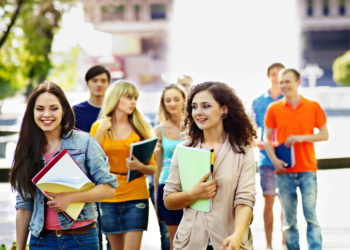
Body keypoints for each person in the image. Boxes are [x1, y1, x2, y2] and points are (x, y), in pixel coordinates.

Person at [10, 81, 118, 250]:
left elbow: (109, 189)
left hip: (82, 239)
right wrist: (20, 247)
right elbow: (24, 206)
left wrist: (71, 198)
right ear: (32, 113)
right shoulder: (26, 150)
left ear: (64, 111)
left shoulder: (85, 142)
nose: (47, 114)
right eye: (40, 109)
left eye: (54, 108)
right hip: (41, 241)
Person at [163, 81, 257, 250]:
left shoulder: (243, 151)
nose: (198, 112)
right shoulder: (183, 150)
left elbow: (245, 200)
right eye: (194, 106)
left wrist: (236, 235)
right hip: (191, 242)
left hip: (230, 242)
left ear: (224, 109)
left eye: (206, 106)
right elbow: (169, 201)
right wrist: (192, 194)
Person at [263, 69, 329, 250]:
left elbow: (324, 135)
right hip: (283, 171)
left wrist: (301, 137)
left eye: (287, 81)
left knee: (311, 217)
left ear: (298, 81)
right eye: (281, 82)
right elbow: (267, 138)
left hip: (307, 169)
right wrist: (274, 160)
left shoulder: (312, 106)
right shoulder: (274, 109)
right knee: (289, 220)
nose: (284, 85)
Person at [90, 80, 156, 250]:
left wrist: (138, 166)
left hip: (136, 195)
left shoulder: (140, 128)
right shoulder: (99, 127)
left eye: (135, 98)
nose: (133, 102)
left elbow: (152, 168)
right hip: (108, 195)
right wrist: (100, 133)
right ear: (116, 98)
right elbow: (91, 161)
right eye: (129, 97)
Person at [251, 62, 286, 250]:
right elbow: (251, 129)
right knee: (269, 200)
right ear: (268, 76)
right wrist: (256, 141)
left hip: (286, 156)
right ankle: (269, 244)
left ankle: (284, 241)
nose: (276, 77)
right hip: (265, 157)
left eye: (279, 74)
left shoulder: (288, 100)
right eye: (273, 73)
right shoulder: (259, 101)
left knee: (286, 201)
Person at [154, 84, 187, 250]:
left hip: (189, 187)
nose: (172, 103)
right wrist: (155, 197)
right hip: (166, 187)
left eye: (176, 99)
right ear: (163, 103)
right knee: (173, 239)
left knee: (192, 236)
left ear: (184, 101)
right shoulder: (159, 131)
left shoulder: (193, 127)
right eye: (168, 100)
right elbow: (157, 167)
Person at [73, 65, 111, 132]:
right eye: (94, 81)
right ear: (87, 83)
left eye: (103, 81)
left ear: (108, 84)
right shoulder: (76, 111)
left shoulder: (114, 110)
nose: (99, 84)